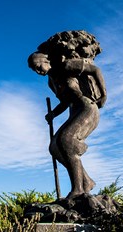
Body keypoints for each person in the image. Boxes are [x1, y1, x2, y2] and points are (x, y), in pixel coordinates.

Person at [28, 52, 106, 198]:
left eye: (38, 66)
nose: (38, 71)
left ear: (46, 60)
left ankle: (78, 190)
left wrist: (103, 94)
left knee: (66, 141)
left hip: (87, 109)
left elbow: (95, 70)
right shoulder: (51, 81)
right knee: (54, 148)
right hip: (74, 111)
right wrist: (53, 114)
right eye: (34, 70)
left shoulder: (66, 66)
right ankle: (86, 181)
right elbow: (65, 102)